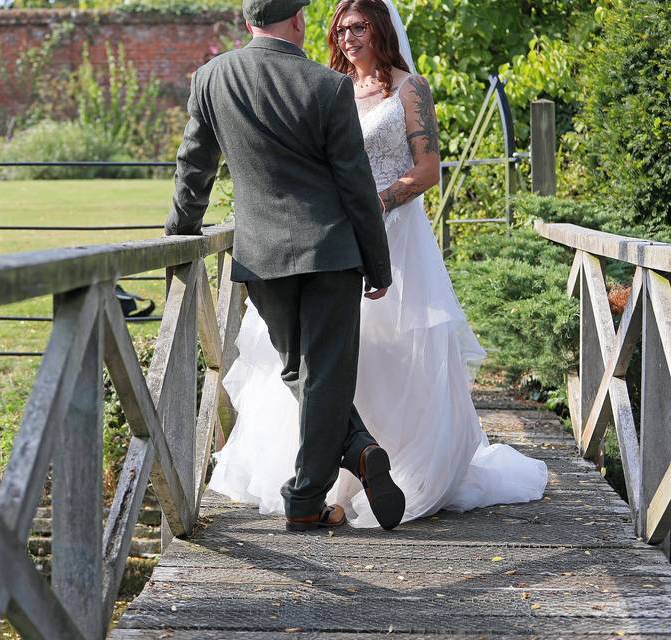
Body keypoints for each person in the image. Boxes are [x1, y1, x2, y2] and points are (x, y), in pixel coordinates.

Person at [208, 0, 549, 528]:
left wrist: (378, 203)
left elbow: (429, 169)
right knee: (323, 364)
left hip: (389, 233)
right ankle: (356, 459)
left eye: (359, 26)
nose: (347, 37)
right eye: (340, 28)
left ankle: (385, 462)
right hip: (328, 240)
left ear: (382, 29)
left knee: (374, 359)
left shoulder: (407, 89)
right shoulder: (324, 85)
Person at [165, 0, 407, 531]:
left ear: (249, 23)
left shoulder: (211, 78)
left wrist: (180, 235)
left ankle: (355, 455)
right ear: (297, 22)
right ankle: (308, 496)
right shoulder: (328, 86)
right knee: (324, 374)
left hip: (262, 255)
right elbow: (355, 184)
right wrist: (378, 263)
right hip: (331, 253)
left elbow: (194, 166)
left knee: (300, 370)